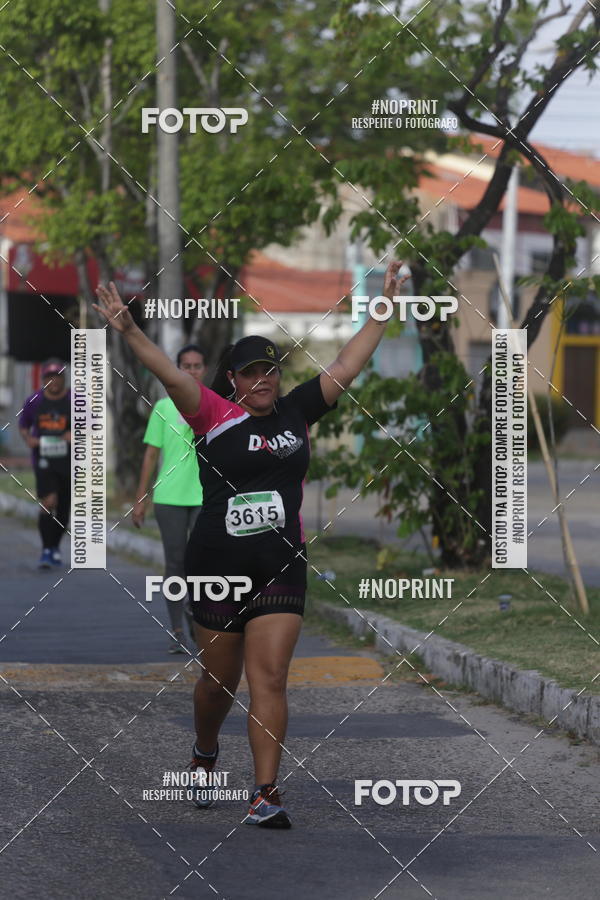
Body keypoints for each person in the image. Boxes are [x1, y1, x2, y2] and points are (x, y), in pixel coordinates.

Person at [94, 259, 408, 829]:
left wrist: (380, 310)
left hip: (280, 564)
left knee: (269, 678)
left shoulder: (297, 410)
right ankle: (205, 751)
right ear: (232, 379)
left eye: (270, 369)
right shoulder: (210, 413)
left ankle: (265, 792)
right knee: (219, 681)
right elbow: (169, 374)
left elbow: (345, 364)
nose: (263, 379)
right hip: (217, 565)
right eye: (250, 372)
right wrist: (131, 330)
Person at [132, 344, 206, 654]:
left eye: (197, 365)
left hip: (206, 497)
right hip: (170, 497)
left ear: (205, 369)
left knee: (203, 565)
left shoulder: (214, 404)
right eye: (185, 365)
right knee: (175, 563)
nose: (191, 371)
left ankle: (199, 622)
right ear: (176, 369)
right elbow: (151, 454)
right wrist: (141, 498)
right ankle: (177, 629)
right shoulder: (163, 407)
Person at [19, 358, 71, 569]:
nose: (54, 381)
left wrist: (75, 434)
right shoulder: (34, 401)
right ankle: (46, 550)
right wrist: (28, 439)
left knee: (64, 508)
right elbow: (23, 425)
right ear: (44, 380)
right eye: (49, 377)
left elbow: (91, 425)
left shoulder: (74, 400)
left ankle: (55, 546)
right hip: (43, 460)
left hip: (69, 461)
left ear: (63, 378)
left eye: (57, 377)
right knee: (48, 502)